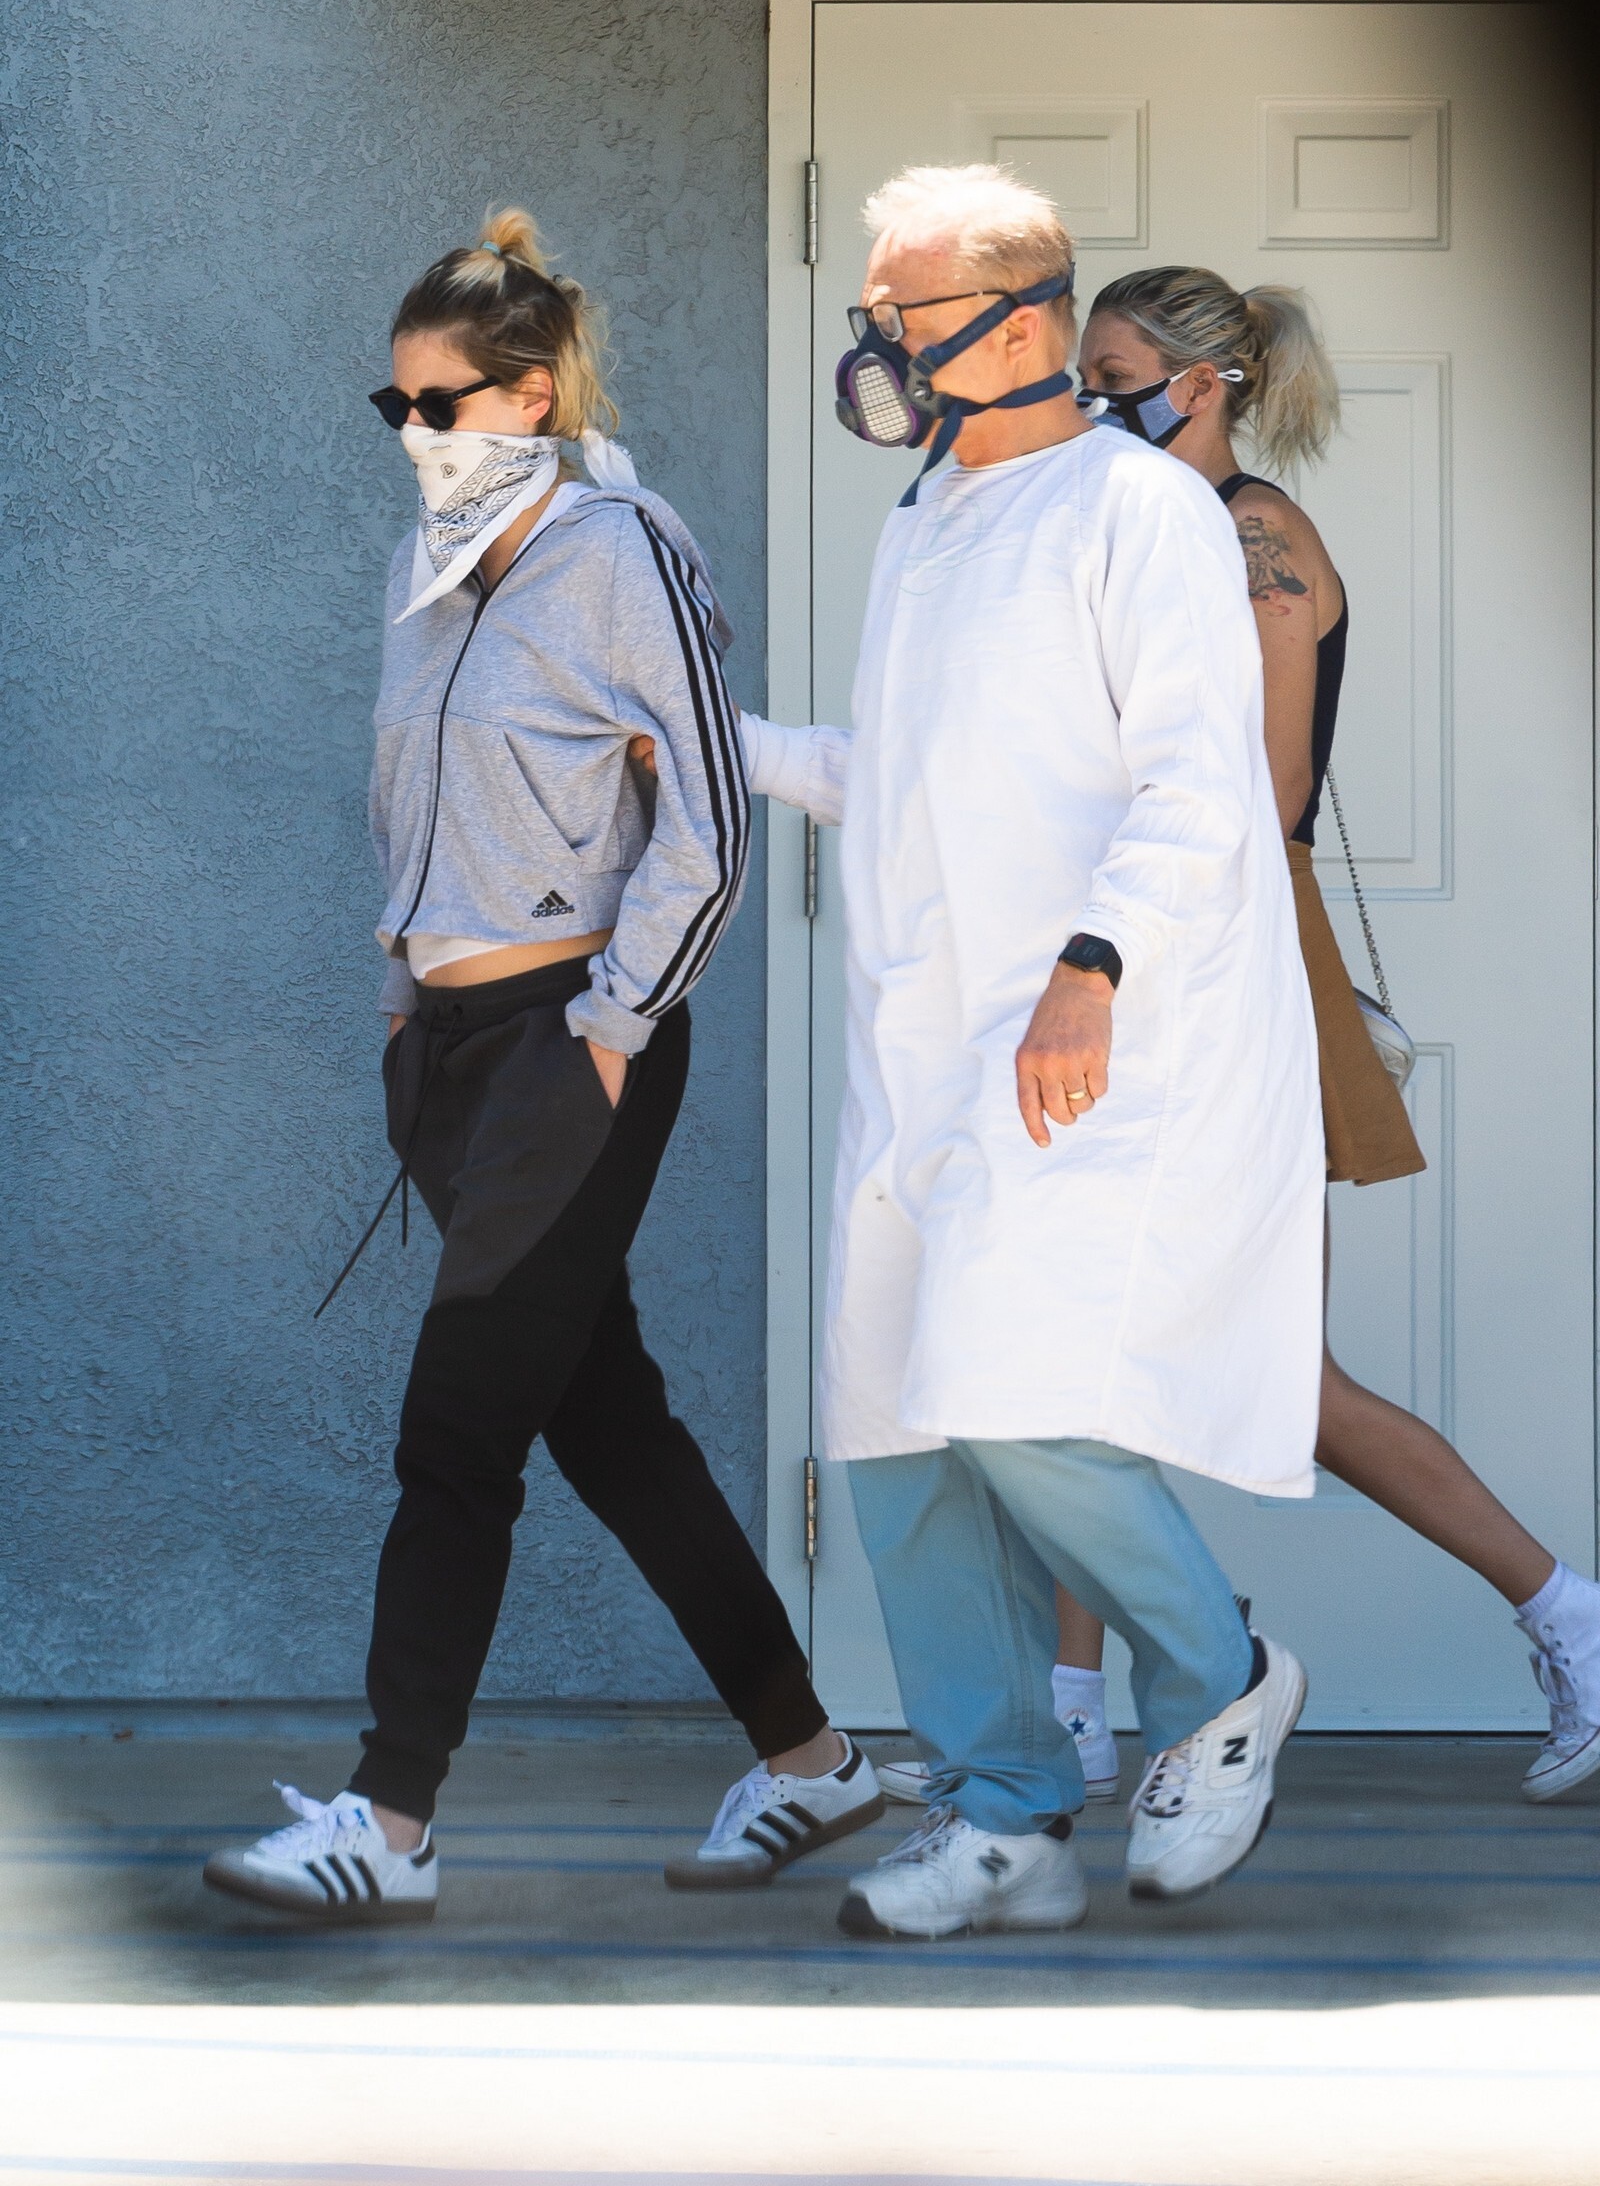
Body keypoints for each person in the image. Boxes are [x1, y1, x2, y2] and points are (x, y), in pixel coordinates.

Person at [204, 209, 882, 1923]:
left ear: (528, 395)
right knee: (608, 1421)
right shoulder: (425, 566)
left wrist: (615, 1026)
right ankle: (813, 1758)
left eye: (440, 404)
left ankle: (391, 1823)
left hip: (569, 1045)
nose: (415, 435)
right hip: (447, 1051)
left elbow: (709, 820)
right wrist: (401, 985)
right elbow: (410, 787)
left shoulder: (620, 548)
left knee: (456, 1437)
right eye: (397, 406)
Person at [741, 165, 1323, 1939]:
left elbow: (1200, 778)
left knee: (1016, 1397)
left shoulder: (1137, 509)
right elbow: (908, 774)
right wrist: (716, 740)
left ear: (1023, 323)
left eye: (902, 314)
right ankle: (1004, 1818)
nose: (877, 346)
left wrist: (1093, 965)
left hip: (1075, 1041)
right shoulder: (925, 518)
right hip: (913, 1048)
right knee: (893, 1435)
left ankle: (1221, 1679)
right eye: (874, 313)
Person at [1024, 264, 1600, 1808]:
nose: (1087, 404)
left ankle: (1572, 1621)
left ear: (1200, 386)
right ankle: (1074, 1709)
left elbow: (1265, 793)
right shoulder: (1142, 529)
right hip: (1138, 944)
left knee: (1273, 1377)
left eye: (1112, 379)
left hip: (1224, 955)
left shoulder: (1256, 537)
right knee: (1082, 1345)